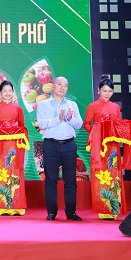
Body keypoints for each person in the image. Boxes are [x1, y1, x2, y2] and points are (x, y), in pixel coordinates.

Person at [83, 76, 131, 219]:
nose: (107, 94)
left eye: (110, 91)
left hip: (112, 147)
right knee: (100, 174)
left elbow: (118, 126)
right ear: (98, 90)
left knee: (114, 174)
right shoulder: (92, 106)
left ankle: (114, 207)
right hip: (98, 146)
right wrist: (96, 132)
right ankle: (102, 208)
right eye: (104, 91)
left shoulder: (115, 107)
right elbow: (87, 123)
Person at [36, 76, 83, 221]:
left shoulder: (72, 105)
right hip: (51, 145)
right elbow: (42, 124)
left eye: (66, 85)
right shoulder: (43, 105)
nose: (63, 87)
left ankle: (71, 212)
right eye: (60, 84)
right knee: (51, 179)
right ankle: (51, 212)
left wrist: (69, 118)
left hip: (69, 145)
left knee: (70, 180)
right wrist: (59, 119)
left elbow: (79, 124)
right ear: (52, 86)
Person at [0, 81, 29, 216]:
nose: (7, 93)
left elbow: (22, 127)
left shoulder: (18, 109)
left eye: (10, 90)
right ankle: (2, 207)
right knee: (2, 172)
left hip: (15, 147)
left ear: (13, 92)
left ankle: (16, 206)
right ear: (0, 92)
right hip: (1, 147)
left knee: (15, 171)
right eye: (4, 90)